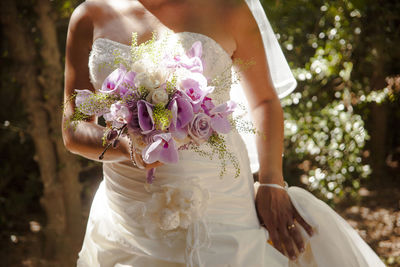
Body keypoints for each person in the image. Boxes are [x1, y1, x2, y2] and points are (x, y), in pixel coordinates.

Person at [62, 0, 386, 266]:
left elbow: (264, 100)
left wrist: (272, 180)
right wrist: (127, 147)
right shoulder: (90, 15)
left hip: (221, 202)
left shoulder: (228, 8)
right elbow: (74, 127)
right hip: (128, 212)